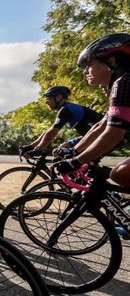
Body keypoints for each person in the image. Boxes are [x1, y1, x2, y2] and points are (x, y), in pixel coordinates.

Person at [54, 33, 130, 187]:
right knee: (119, 174)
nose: (85, 71)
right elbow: (100, 126)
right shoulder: (125, 82)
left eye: (89, 65)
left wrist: (75, 161)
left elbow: (113, 134)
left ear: (112, 61)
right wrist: (75, 152)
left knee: (120, 173)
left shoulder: (124, 82)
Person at [20, 85, 102, 157]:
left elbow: (51, 134)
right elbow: (49, 131)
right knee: (61, 149)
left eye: (48, 98)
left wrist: (37, 150)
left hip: (102, 138)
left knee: (75, 160)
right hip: (92, 137)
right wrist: (31, 146)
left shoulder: (66, 109)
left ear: (58, 97)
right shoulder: (66, 108)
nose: (46, 102)